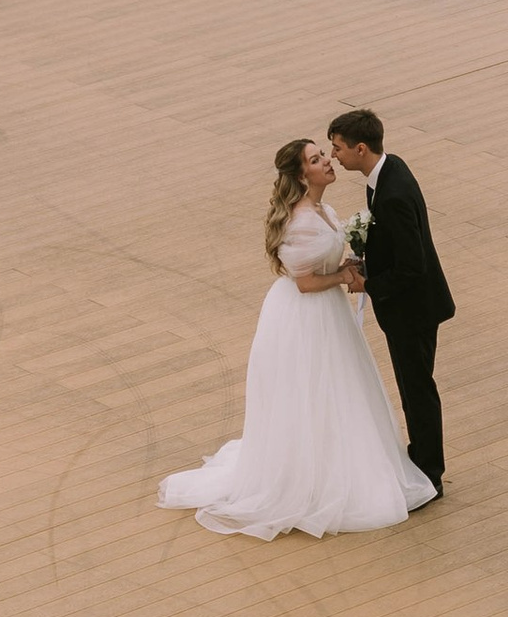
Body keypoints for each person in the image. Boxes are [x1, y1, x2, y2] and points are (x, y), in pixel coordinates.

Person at [157, 137, 434, 537]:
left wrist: (348, 264)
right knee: (312, 389)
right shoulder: (301, 221)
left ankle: (337, 463)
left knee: (337, 388)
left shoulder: (323, 210)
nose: (328, 161)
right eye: (317, 159)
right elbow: (304, 283)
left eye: (324, 155)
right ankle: (311, 478)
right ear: (302, 175)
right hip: (305, 317)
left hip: (328, 312)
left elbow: (321, 264)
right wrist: (343, 276)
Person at [318, 108, 452, 496]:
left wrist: (368, 284)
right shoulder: (389, 171)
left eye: (338, 148)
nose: (334, 156)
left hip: (413, 310)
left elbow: (412, 265)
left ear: (360, 148)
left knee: (417, 391)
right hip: (412, 306)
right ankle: (422, 458)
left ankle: (429, 473)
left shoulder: (391, 194)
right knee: (413, 388)